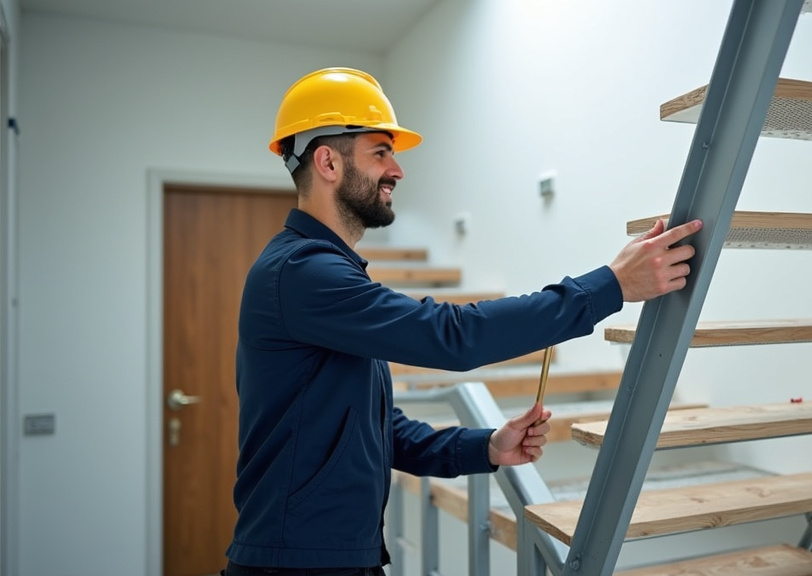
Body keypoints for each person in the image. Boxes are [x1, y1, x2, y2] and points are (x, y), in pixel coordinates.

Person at [224, 67, 702, 576]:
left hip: (335, 559)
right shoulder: (301, 272)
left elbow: (377, 430)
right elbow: (452, 336)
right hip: (297, 566)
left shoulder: (322, 273)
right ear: (328, 162)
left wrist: (486, 446)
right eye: (381, 152)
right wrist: (611, 285)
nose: (397, 170)